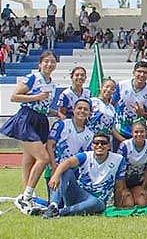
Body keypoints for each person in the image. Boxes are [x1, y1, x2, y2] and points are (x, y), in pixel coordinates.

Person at [1, 51, 57, 212]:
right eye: (46, 61)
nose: (49, 64)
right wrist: (36, 96)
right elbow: (15, 97)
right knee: (43, 158)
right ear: (40, 64)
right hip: (27, 118)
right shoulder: (32, 78)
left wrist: (56, 113)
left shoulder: (51, 83)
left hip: (40, 120)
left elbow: (44, 106)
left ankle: (26, 196)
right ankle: (27, 195)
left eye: (52, 62)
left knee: (29, 160)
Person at [43, 132, 125, 218]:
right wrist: (56, 175)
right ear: (92, 146)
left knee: (95, 203)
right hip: (79, 193)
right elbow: (67, 162)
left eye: (103, 143)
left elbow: (119, 185)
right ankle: (53, 205)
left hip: (97, 200)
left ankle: (59, 212)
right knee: (66, 171)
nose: (99, 145)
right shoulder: (86, 156)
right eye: (96, 143)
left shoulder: (118, 159)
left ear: (109, 146)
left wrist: (117, 205)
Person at [46, 98, 94, 196]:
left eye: (85, 109)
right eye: (79, 108)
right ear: (73, 110)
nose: (82, 111)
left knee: (69, 203)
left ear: (89, 113)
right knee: (55, 203)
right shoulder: (61, 124)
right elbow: (49, 145)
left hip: (73, 172)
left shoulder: (90, 134)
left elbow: (86, 157)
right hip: (55, 168)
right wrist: (54, 166)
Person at [113, 61, 147, 141]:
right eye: (139, 71)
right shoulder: (121, 86)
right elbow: (112, 105)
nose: (142, 75)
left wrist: (143, 114)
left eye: (145, 72)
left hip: (138, 133)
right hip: (120, 130)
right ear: (133, 72)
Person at [116, 122, 147, 207]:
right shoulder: (125, 145)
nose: (139, 134)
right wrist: (123, 189)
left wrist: (144, 187)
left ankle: (134, 194)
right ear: (132, 133)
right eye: (136, 132)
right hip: (124, 182)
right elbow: (119, 169)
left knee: (143, 202)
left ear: (146, 132)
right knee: (128, 204)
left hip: (137, 183)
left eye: (142, 132)